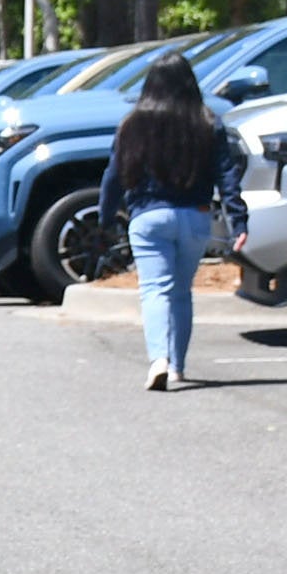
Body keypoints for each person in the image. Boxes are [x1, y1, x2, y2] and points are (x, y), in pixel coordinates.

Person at [98, 53, 246, 391]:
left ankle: (158, 359)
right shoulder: (207, 121)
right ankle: (178, 365)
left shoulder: (132, 123)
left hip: (148, 217)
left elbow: (113, 176)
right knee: (181, 292)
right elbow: (227, 174)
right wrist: (238, 220)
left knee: (154, 290)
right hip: (195, 216)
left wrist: (105, 217)